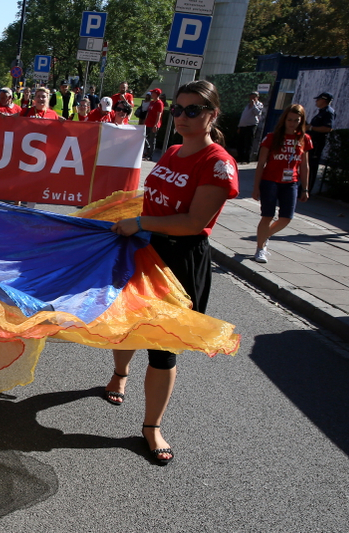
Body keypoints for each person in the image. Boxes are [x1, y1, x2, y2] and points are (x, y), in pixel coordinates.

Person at [105, 80, 239, 465]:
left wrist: (140, 222)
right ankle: (119, 374)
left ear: (212, 114)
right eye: (178, 109)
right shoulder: (175, 150)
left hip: (179, 261)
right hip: (145, 248)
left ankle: (151, 427)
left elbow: (195, 222)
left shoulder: (218, 163)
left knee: (163, 347)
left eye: (193, 110)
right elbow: (154, 199)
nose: (181, 117)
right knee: (127, 324)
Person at [252, 104, 312, 264]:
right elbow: (261, 164)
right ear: (284, 120)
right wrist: (256, 187)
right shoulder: (272, 138)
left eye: (296, 120)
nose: (292, 123)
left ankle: (265, 236)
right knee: (268, 215)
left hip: (291, 182)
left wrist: (305, 188)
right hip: (270, 180)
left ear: (301, 121)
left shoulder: (304, 139)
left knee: (286, 217)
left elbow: (304, 165)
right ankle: (260, 248)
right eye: (289, 120)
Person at [307, 92, 335, 193]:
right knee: (308, 163)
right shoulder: (322, 112)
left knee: (312, 165)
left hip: (317, 143)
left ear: (323, 100)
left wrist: (311, 127)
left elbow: (328, 128)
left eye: (318, 99)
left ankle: (307, 189)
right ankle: (304, 186)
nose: (316, 101)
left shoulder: (328, 112)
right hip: (312, 141)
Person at [236, 91, 263, 164]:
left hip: (251, 126)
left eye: (254, 97)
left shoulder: (259, 105)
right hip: (243, 126)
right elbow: (243, 116)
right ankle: (240, 158)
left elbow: (258, 113)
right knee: (241, 143)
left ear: (257, 98)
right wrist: (239, 126)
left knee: (249, 143)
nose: (252, 98)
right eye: (251, 97)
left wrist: (254, 105)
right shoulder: (247, 106)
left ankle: (246, 159)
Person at [144, 88, 165, 160]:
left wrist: (155, 125)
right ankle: (147, 150)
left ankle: (150, 155)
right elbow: (148, 112)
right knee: (143, 136)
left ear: (156, 94)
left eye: (153, 93)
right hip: (148, 123)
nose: (151, 94)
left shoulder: (159, 103)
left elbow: (159, 115)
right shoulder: (152, 102)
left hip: (153, 124)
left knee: (152, 140)